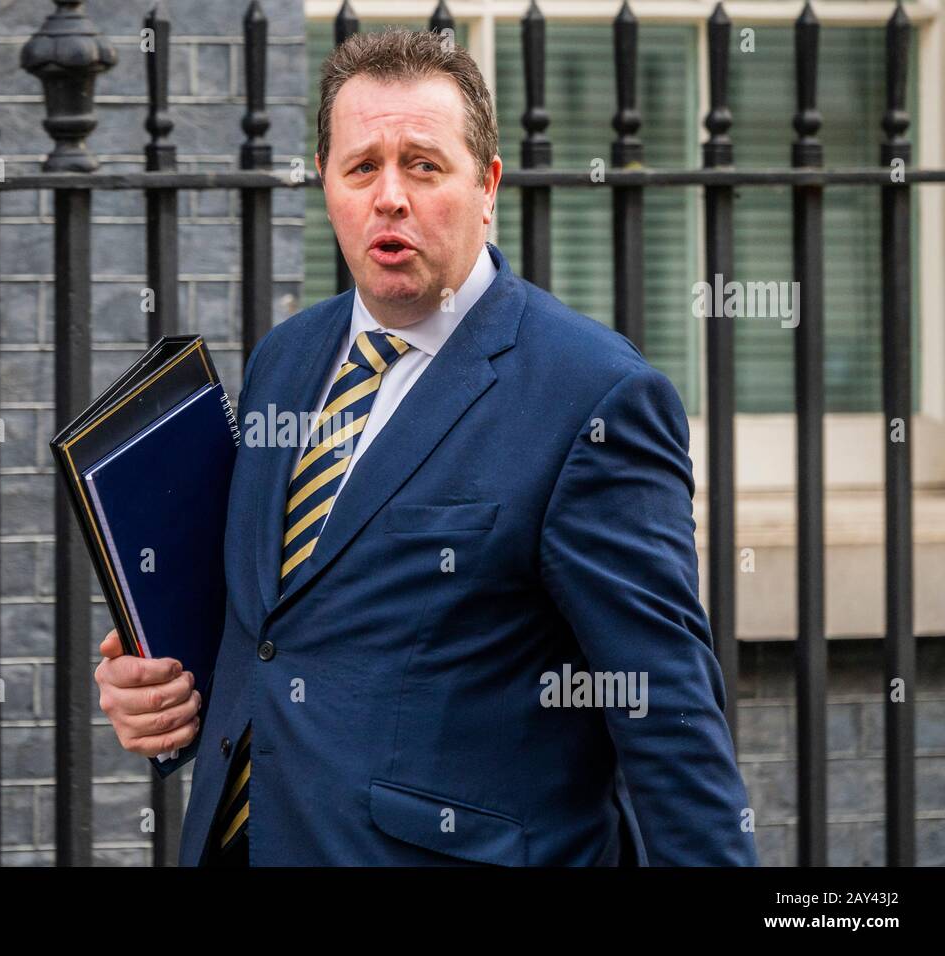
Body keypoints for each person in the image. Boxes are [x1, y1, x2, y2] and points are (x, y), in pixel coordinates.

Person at [95, 27, 757, 867]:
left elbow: (669, 715)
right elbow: (270, 635)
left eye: (423, 164)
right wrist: (160, 699)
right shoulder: (284, 361)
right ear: (328, 186)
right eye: (362, 166)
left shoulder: (592, 396)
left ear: (487, 188)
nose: (390, 196)